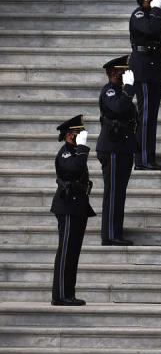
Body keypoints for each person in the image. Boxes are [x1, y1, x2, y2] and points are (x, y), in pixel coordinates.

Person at [129, 0, 161, 171]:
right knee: (145, 116)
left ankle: (149, 156)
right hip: (143, 69)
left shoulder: (150, 15)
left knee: (151, 117)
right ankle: (143, 159)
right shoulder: (139, 14)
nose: (157, 1)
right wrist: (155, 11)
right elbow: (151, 30)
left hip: (154, 69)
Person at [52, 115, 95, 306]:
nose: (80, 137)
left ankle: (68, 292)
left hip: (77, 205)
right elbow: (76, 170)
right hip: (68, 206)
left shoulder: (73, 152)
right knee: (66, 251)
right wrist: (83, 149)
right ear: (69, 136)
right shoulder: (66, 154)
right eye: (78, 133)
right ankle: (60, 295)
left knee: (73, 252)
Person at [96, 56, 137, 246]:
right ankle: (110, 235)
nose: (126, 74)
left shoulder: (121, 92)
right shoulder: (110, 91)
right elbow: (119, 108)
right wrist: (128, 89)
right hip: (112, 148)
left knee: (119, 193)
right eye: (123, 71)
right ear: (113, 73)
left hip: (122, 148)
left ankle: (116, 232)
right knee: (113, 192)